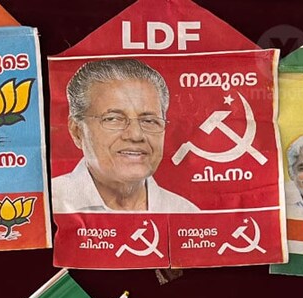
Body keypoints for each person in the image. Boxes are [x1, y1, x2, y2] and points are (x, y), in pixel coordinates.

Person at [52, 59, 199, 213]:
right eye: (113, 119)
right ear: (77, 131)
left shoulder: (186, 213)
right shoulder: (47, 205)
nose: (136, 135)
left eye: (149, 121)